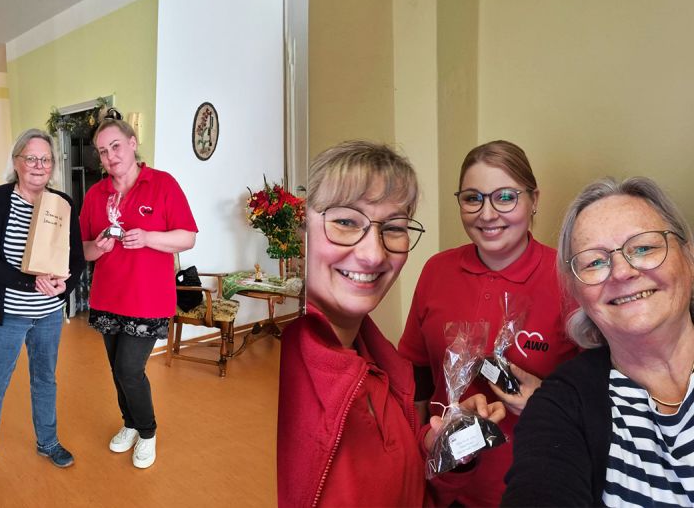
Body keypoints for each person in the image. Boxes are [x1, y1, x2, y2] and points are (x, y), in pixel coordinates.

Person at [278, 140, 505, 507]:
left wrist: (441, 447)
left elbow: (404, 486)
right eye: (345, 222)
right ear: (299, 234)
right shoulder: (282, 375)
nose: (373, 254)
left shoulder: (381, 366)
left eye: (395, 227)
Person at [398, 140, 578, 506]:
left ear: (534, 200)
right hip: (443, 482)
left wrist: (545, 399)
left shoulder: (568, 278)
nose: (487, 213)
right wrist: (412, 458)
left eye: (505, 197)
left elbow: (601, 392)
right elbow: (415, 376)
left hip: (531, 486)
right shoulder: (437, 270)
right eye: (472, 198)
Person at [502, 177, 694, 506]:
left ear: (687, 256)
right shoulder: (559, 406)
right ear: (577, 293)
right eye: (594, 262)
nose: (621, 272)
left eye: (644, 247)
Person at [0, 128, 85, 488]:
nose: (38, 165)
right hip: (7, 316)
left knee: (45, 380)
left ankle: (48, 442)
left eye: (45, 159)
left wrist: (64, 288)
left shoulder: (62, 203)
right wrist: (31, 283)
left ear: (52, 165)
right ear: (16, 162)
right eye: (31, 158)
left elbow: (76, 258)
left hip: (48, 315)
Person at [79, 116, 197, 469]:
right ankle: (129, 423)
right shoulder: (96, 195)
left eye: (116, 146)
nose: (110, 156)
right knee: (117, 370)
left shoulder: (162, 184)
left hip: (148, 299)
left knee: (129, 370)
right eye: (103, 151)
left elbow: (187, 237)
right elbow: (83, 250)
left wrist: (148, 238)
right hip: (107, 297)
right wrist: (98, 247)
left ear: (132, 144)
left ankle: (147, 432)